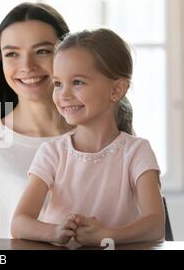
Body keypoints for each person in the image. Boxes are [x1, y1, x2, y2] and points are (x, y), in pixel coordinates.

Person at [11, 29, 165, 246]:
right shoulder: (52, 153)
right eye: (58, 83)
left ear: (116, 89)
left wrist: (107, 235)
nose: (63, 95)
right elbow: (19, 223)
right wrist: (54, 232)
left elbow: (155, 225)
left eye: (78, 82)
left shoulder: (137, 152)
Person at [0, 3, 73, 238]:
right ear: (1, 60)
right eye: (12, 54)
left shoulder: (103, 134)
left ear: (66, 54)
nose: (27, 66)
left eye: (42, 51)